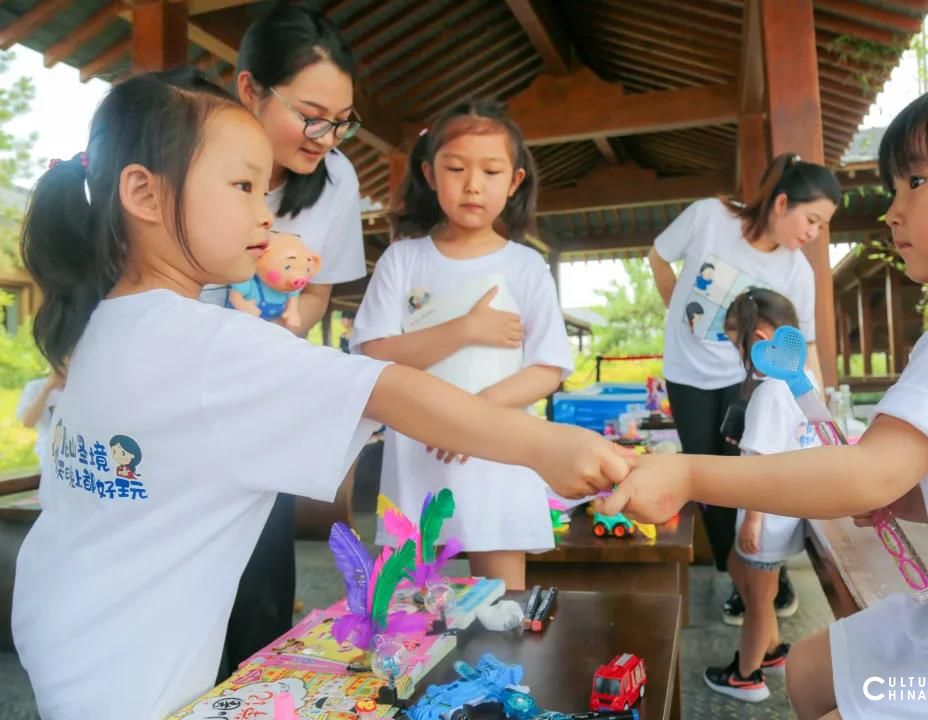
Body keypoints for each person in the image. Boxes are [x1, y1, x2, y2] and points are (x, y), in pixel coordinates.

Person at [11, 69, 627, 720]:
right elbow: (383, 386)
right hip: (133, 676)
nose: (264, 212)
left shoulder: (96, 324)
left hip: (64, 635)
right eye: (243, 185)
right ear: (143, 192)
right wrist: (547, 445)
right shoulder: (217, 343)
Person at [601, 63, 928, 719]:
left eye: (915, 181)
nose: (892, 210)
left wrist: (685, 473)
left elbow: (866, 474)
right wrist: (917, 497)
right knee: (810, 665)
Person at [192, 4, 370, 677]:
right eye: (310, 115)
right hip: (182, 395)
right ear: (247, 90)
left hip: (261, 399)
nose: (327, 136)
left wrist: (288, 321)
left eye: (342, 120)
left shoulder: (337, 180)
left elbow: (319, 287)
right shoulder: (188, 154)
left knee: (262, 596)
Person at [352, 99, 571, 590]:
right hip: (417, 455)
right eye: (456, 168)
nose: (473, 184)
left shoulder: (525, 266)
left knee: (504, 601)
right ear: (430, 174)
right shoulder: (402, 260)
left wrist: (469, 421)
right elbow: (373, 354)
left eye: (490, 170)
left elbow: (548, 367)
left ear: (514, 182)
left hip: (498, 452)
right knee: (402, 602)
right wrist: (466, 329)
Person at [648, 152, 840, 623]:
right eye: (811, 219)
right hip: (687, 373)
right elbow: (657, 254)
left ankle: (769, 570)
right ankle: (743, 584)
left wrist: (818, 405)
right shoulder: (709, 217)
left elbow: (805, 341)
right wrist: (676, 308)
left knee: (750, 472)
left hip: (746, 378)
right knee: (708, 485)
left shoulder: (797, 271)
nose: (813, 234)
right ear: (780, 203)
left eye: (821, 226)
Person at [702, 288, 820, 703]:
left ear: (763, 336)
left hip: (765, 517)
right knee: (746, 576)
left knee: (757, 600)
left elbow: (759, 466)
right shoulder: (804, 383)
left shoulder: (770, 393)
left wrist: (752, 521)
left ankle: (746, 675)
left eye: (740, 342)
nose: (739, 351)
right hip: (786, 512)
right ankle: (770, 652)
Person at [15, 369, 65, 469]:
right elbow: (28, 422)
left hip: (79, 453)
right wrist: (47, 389)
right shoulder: (35, 387)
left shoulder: (83, 387)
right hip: (49, 457)